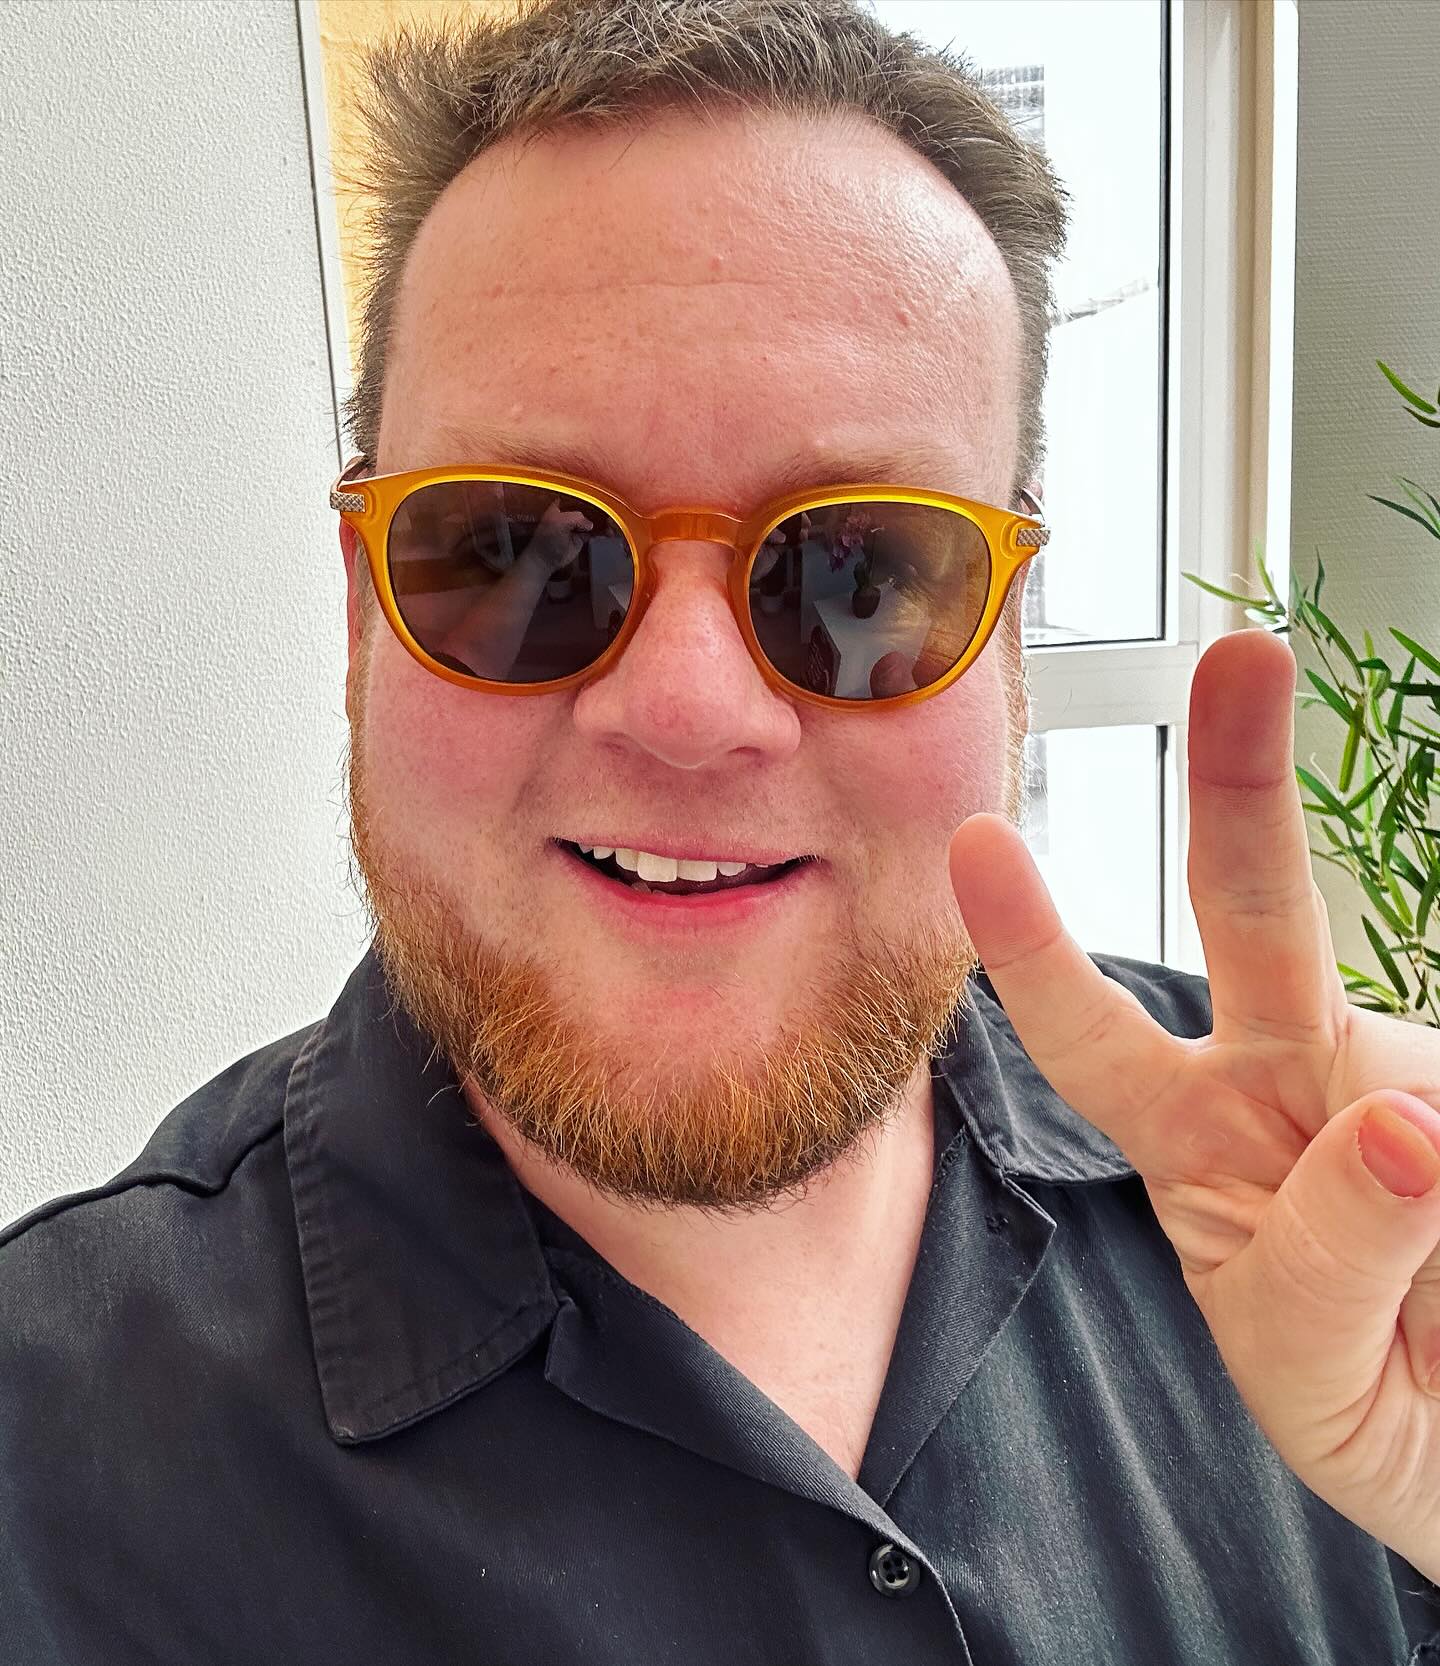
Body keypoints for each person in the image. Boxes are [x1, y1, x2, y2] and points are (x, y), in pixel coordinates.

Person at [3, 3, 1438, 1661]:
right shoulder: (48, 1474)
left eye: (863, 570)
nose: (688, 709)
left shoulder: (1337, 1230)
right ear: (361, 614)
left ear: (1008, 645)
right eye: (516, 550)